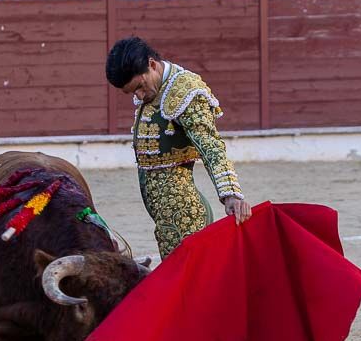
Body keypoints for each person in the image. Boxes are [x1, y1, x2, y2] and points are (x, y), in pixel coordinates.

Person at [105, 36, 251, 258]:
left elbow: (211, 147)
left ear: (152, 64)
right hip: (166, 213)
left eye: (140, 87)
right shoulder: (157, 88)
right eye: (132, 92)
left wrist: (230, 194)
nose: (139, 96)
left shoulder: (186, 91)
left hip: (183, 214)